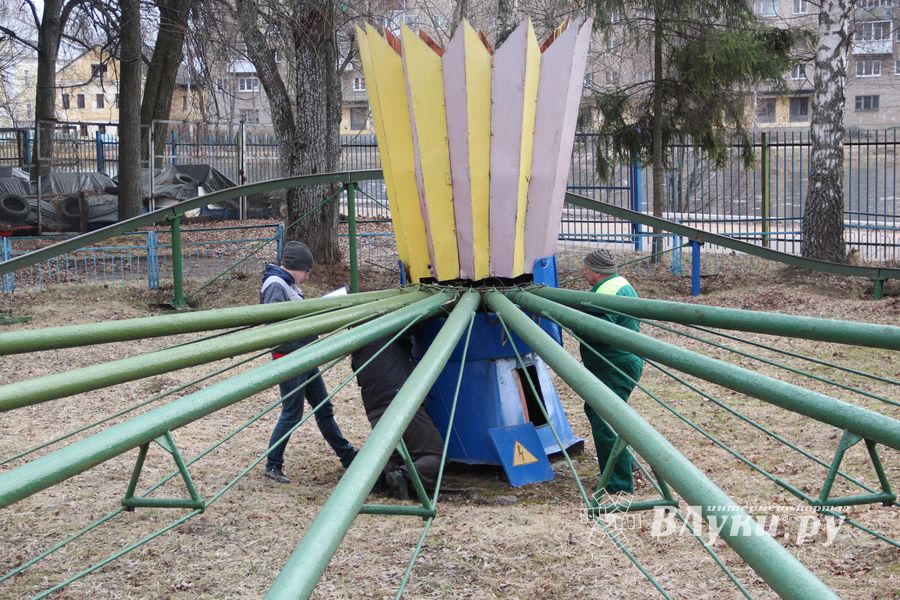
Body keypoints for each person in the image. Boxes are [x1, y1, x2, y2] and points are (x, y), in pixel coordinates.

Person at [261, 241, 357, 484]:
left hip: (305, 355)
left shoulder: (288, 285)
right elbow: (274, 326)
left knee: (324, 408)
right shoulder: (276, 284)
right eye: (306, 270)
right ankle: (273, 464)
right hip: (291, 358)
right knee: (292, 413)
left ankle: (347, 456)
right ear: (297, 267)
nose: (307, 276)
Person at [579, 248, 644, 495]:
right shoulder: (618, 284)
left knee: (604, 419)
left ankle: (618, 484)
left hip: (614, 364)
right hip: (617, 362)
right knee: (600, 411)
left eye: (586, 268)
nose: (583, 272)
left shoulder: (607, 291)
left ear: (596, 272)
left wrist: (570, 321)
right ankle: (626, 462)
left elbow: (598, 330)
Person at [351, 335, 443, 500]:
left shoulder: (358, 341)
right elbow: (418, 323)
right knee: (434, 455)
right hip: (400, 401)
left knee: (395, 456)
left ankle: (380, 477)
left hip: (374, 406)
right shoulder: (386, 330)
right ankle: (404, 476)